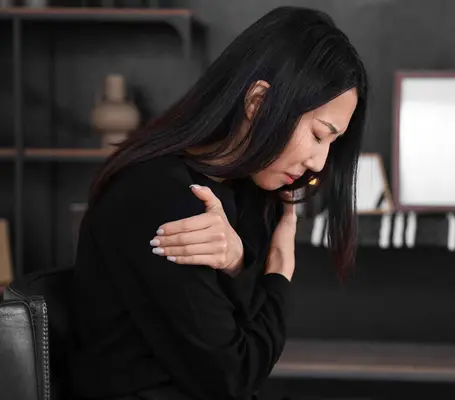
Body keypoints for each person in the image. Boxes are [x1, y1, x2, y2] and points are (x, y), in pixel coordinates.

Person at [69, 6, 368, 400]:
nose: (318, 162)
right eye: (317, 135)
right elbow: (233, 378)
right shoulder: (160, 197)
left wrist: (238, 263)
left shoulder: (246, 195)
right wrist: (278, 269)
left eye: (332, 143)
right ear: (258, 101)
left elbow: (237, 349)